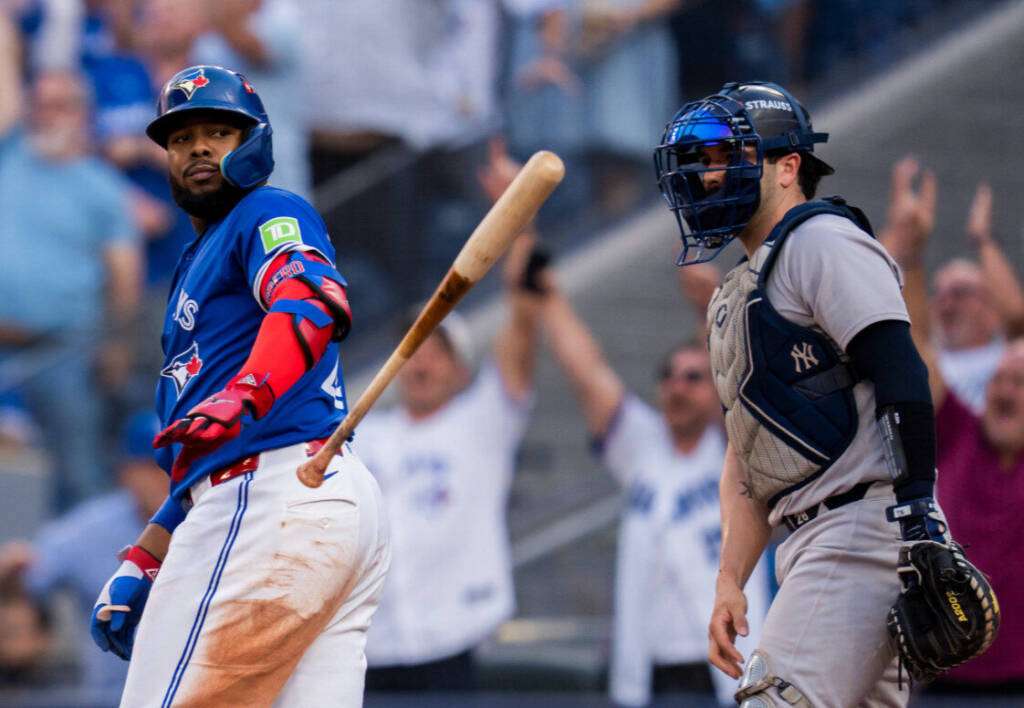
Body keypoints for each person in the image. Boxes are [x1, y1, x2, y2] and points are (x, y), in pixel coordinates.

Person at [653, 81, 997, 706]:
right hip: (811, 538)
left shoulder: (821, 239)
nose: (707, 176)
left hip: (862, 527)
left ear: (788, 167)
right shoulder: (734, 293)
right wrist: (730, 579)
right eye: (699, 162)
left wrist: (917, 515)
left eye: (725, 156)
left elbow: (902, 370)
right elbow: (749, 455)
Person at [88, 65, 390, 706]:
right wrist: (148, 553)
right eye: (180, 137)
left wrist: (249, 390)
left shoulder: (268, 209)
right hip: (304, 501)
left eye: (218, 132)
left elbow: (309, 299)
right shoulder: (196, 261)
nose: (197, 147)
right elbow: (204, 449)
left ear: (254, 142)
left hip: (273, 492)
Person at [535, 262, 768, 706]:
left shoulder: (733, 447)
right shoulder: (641, 446)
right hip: (651, 672)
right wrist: (548, 295)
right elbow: (589, 374)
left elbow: (744, 376)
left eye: (693, 377)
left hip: (729, 667)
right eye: (669, 375)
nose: (677, 386)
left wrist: (711, 307)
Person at [354, 145, 542, 692]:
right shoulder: (364, 438)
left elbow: (523, 318)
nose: (423, 360)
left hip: (463, 637)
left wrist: (521, 218)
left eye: (437, 346)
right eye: (412, 348)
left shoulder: (484, 420)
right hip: (376, 649)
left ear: (461, 368)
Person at [883, 179, 1024, 697]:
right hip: (946, 680)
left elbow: (1018, 320)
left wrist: (983, 240)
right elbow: (918, 344)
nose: (1004, 389)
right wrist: (912, 257)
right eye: (999, 380)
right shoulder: (961, 432)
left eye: (1019, 383)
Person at [0, 22, 142, 509]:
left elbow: (125, 272)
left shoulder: (100, 185)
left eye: (61, 105)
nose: (47, 115)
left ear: (84, 113)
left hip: (65, 350)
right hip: (3, 345)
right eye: (41, 104)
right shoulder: (11, 155)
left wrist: (117, 342)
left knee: (79, 472)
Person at [0, 412, 166, 693]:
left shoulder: (218, 523)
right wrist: (12, 571)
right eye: (153, 466)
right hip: (112, 697)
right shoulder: (90, 529)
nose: (166, 477)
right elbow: (25, 574)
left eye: (176, 466)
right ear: (126, 471)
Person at [880, 158, 1024, 413]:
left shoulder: (1006, 359)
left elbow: (1016, 318)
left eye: (959, 293)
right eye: (939, 293)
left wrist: (983, 240)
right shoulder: (927, 356)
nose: (946, 303)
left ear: (990, 309)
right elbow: (875, 301)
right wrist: (902, 237)